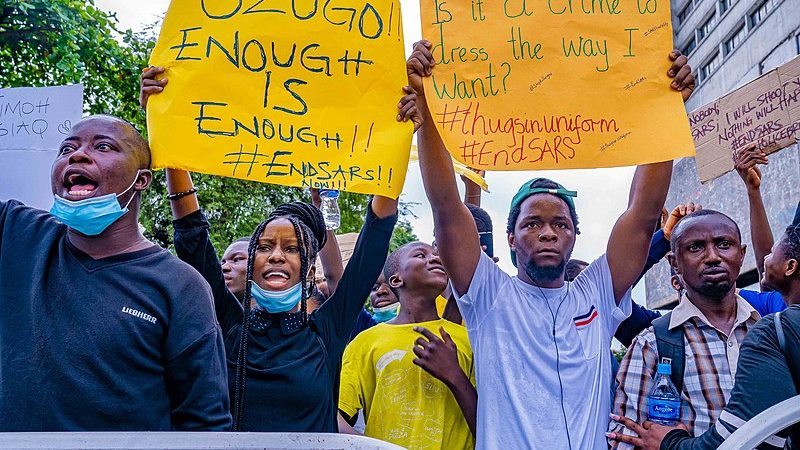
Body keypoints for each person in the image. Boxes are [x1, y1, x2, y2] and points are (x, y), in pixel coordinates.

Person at [408, 40, 696, 449]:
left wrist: (667, 113)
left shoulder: (597, 291)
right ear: (510, 237)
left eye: (560, 223)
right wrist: (426, 101)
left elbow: (642, 212)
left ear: (575, 235)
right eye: (533, 224)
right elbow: (446, 206)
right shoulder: (488, 294)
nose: (547, 233)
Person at [141, 66, 418, 432]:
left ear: (307, 270)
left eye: (291, 249)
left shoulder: (327, 328)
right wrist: (166, 126)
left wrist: (397, 138)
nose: (276, 255)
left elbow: (375, 238)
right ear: (253, 260)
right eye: (265, 246)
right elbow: (192, 236)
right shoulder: (226, 320)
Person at [0, 115, 231, 431]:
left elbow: (205, 424)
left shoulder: (180, 287)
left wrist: (165, 114)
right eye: (66, 148)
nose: (77, 155)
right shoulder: (14, 233)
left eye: (103, 146)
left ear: (141, 179)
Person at [608, 221, 800, 450]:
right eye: (695, 247)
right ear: (674, 263)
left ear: (742, 254)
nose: (712, 257)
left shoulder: (778, 334)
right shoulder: (652, 346)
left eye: (724, 244)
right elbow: (626, 441)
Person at [339, 242, 476, 449]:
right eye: (421, 255)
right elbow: (334, 416)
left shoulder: (469, 339)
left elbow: (491, 426)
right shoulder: (366, 342)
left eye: (437, 255)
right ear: (396, 279)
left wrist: (454, 375)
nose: (435, 258)